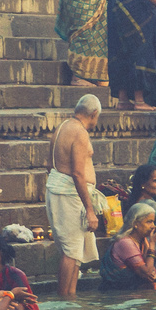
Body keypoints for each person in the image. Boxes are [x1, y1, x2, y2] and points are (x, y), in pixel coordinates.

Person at [45, 94, 101, 299]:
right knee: (70, 251)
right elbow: (77, 173)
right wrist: (90, 209)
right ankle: (63, 299)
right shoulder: (79, 133)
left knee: (75, 250)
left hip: (60, 190)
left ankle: (71, 296)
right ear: (94, 114)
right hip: (70, 195)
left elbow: (49, 166)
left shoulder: (62, 127)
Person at [99, 201, 156, 292]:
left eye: (153, 222)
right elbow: (146, 272)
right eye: (149, 222)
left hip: (133, 286)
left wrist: (152, 273)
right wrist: (152, 243)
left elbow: (151, 271)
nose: (153, 226)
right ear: (135, 223)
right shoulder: (125, 243)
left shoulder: (143, 241)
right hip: (118, 290)